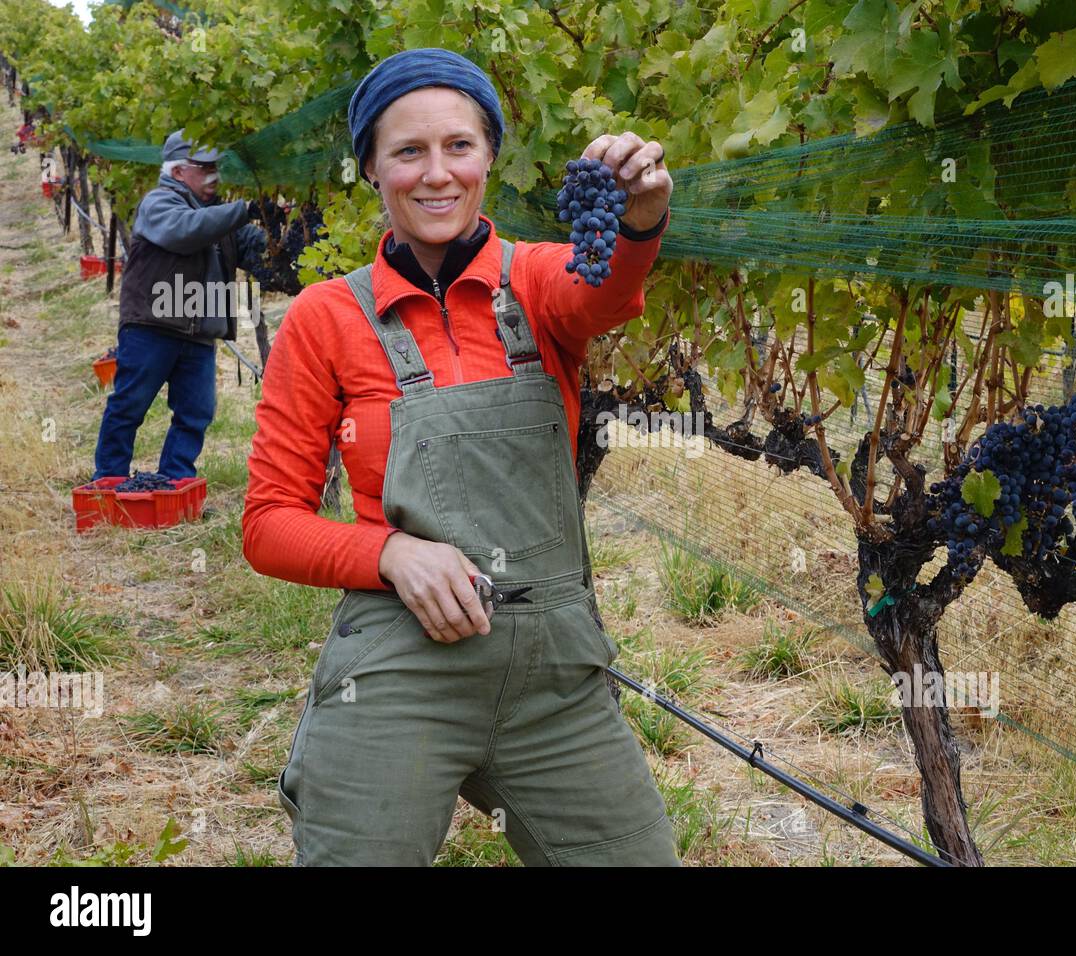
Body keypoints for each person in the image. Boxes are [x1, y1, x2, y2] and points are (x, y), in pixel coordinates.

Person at [242, 47, 678, 866]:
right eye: (407, 151)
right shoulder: (324, 319)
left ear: (489, 157)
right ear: (370, 166)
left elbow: (609, 291)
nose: (435, 174)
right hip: (399, 663)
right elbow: (269, 525)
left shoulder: (542, 282)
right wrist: (391, 553)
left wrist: (642, 214)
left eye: (459, 147)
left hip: (555, 672)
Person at [92, 130, 267, 481]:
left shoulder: (216, 215)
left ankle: (175, 481)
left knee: (196, 412)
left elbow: (257, 252)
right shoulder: (159, 203)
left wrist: (280, 229)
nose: (214, 176)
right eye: (204, 169)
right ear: (177, 172)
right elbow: (185, 231)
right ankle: (108, 480)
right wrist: (242, 210)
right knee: (129, 405)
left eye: (215, 168)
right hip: (153, 325)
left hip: (199, 332)